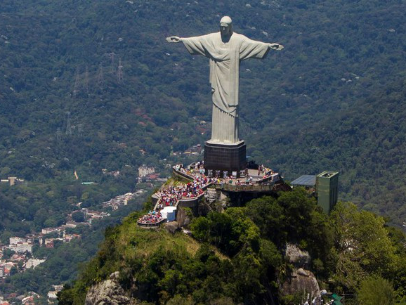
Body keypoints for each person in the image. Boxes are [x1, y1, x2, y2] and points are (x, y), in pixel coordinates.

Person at [167, 16, 283, 144]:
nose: (223, 30)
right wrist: (181, 40)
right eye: (221, 27)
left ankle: (229, 138)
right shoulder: (213, 39)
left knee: (230, 107)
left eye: (225, 28)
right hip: (217, 79)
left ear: (230, 28)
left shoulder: (238, 40)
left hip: (230, 81)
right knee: (217, 105)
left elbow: (253, 44)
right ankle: (217, 138)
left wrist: (268, 46)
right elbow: (198, 40)